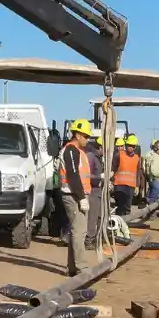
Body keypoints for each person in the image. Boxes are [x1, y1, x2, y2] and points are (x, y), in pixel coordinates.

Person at [59, 119, 93, 277]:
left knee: (76, 232)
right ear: (78, 135)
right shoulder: (71, 150)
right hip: (73, 195)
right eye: (86, 136)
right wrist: (81, 198)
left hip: (76, 194)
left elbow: (80, 174)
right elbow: (73, 175)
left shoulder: (77, 151)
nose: (88, 139)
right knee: (79, 232)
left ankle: (72, 267)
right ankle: (81, 268)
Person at [111, 134, 140, 216]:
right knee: (120, 206)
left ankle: (125, 224)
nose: (131, 148)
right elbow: (113, 169)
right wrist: (111, 182)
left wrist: (137, 186)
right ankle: (118, 224)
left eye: (133, 146)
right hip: (119, 185)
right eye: (129, 145)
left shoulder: (137, 158)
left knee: (127, 207)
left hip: (130, 186)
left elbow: (138, 173)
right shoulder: (119, 155)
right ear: (126, 145)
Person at [84, 129, 104, 250]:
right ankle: (88, 240)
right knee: (93, 216)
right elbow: (86, 175)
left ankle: (97, 238)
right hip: (93, 190)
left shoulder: (99, 158)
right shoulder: (91, 157)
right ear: (100, 147)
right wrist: (99, 177)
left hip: (99, 189)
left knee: (100, 216)